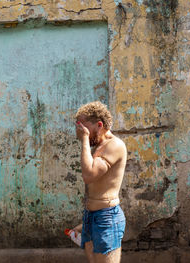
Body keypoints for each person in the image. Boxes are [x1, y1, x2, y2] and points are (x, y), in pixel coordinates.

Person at [74, 101, 127, 263]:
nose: (82, 133)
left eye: (84, 129)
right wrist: (86, 221)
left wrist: (84, 139)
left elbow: (89, 175)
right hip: (92, 216)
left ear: (99, 125)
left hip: (107, 217)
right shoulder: (99, 145)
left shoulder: (115, 145)